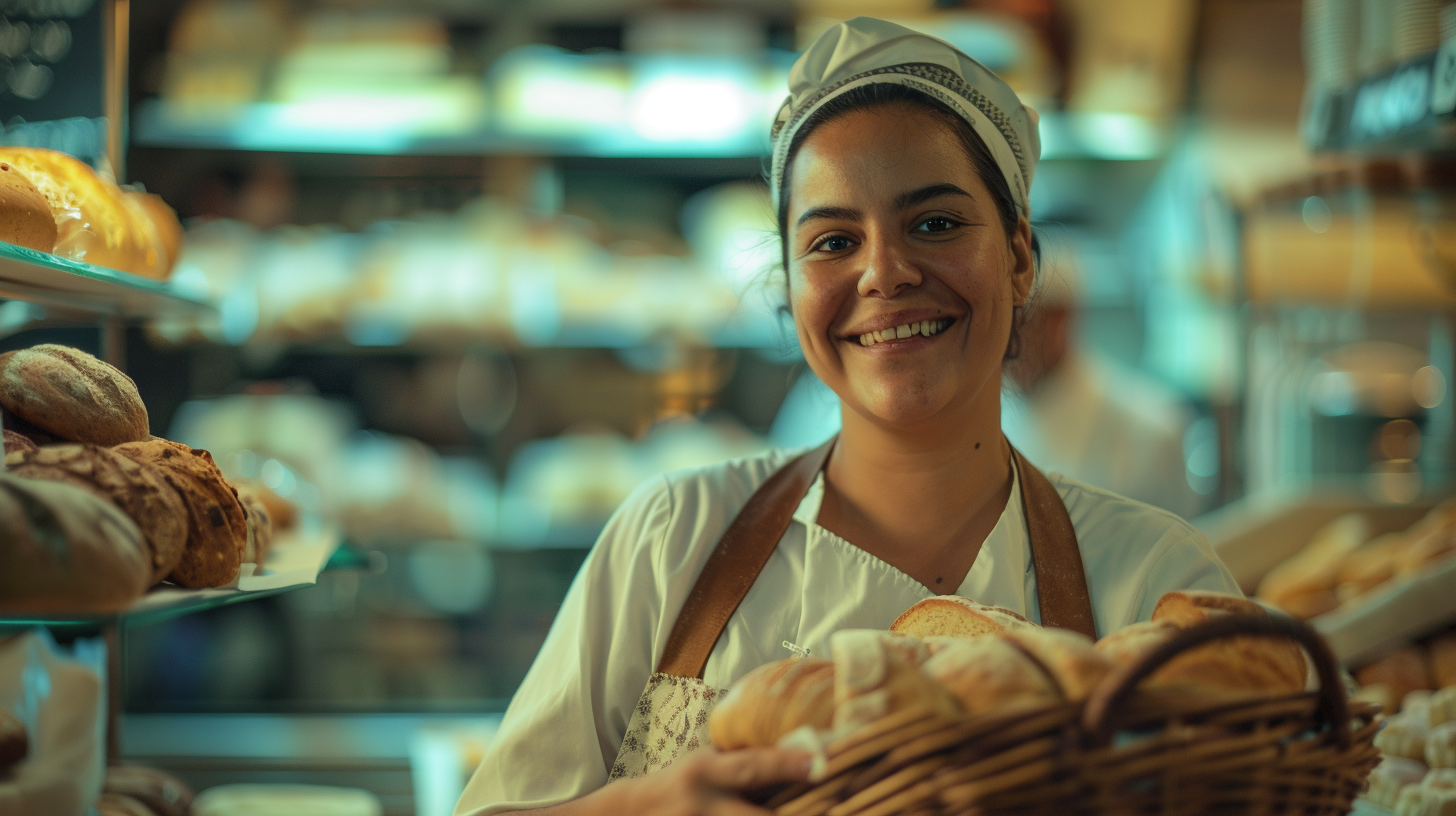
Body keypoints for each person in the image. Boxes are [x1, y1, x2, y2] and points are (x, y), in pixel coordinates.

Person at [455, 17, 1240, 816]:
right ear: (788, 285)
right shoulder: (671, 540)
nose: (884, 274)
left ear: (1020, 257)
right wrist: (651, 808)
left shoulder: (1153, 583)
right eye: (832, 241)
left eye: (934, 224)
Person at [1001, 250, 1208, 519]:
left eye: (1019, 320)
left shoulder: (1151, 432)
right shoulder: (990, 420)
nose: (1005, 342)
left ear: (1061, 317)